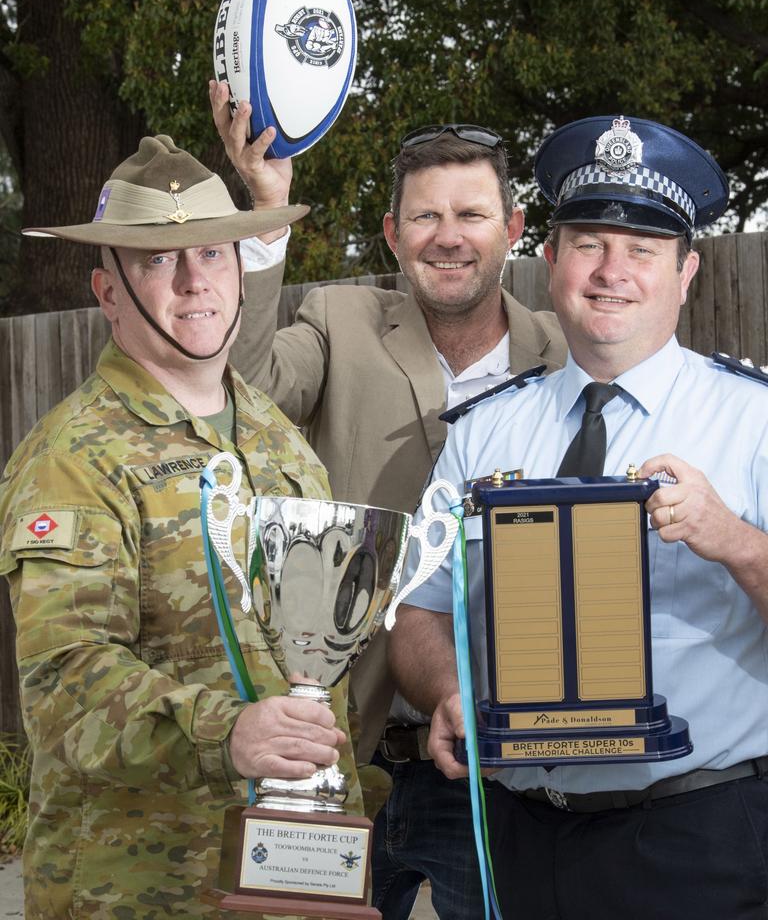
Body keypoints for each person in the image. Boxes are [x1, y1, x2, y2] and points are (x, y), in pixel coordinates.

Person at [390, 114, 768, 920]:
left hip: (698, 841)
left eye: (642, 250)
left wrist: (733, 541)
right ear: (552, 260)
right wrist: (448, 691)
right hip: (520, 837)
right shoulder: (486, 430)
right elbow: (418, 606)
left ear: (687, 271)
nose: (612, 270)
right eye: (590, 242)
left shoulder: (755, 422)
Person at [210, 82, 567, 919]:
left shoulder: (563, 357)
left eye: (473, 215)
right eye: (424, 217)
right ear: (393, 235)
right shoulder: (339, 318)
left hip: (491, 763)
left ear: (513, 231)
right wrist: (267, 214)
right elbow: (244, 390)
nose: (448, 237)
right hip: (340, 744)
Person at [0, 134, 361, 919]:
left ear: (241, 267)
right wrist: (226, 733)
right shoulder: (72, 458)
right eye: (159, 261)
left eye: (213, 254)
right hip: (145, 891)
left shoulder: (276, 435)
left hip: (298, 882)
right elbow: (64, 683)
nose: (195, 281)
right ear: (108, 292)